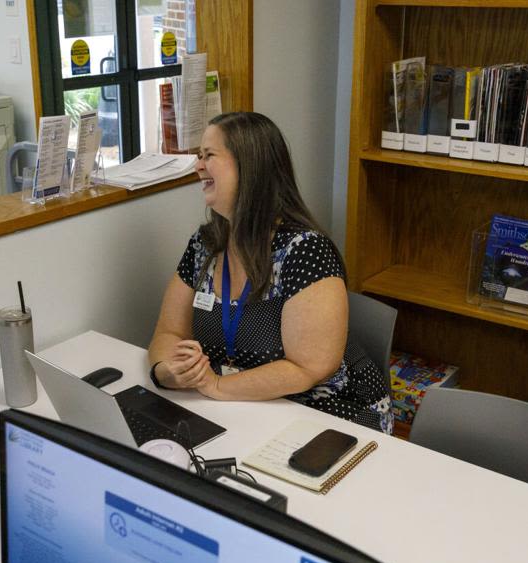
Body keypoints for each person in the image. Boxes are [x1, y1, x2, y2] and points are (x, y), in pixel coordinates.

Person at [147, 111, 393, 433]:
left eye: (209, 156)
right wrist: (165, 372)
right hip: (249, 407)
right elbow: (169, 332)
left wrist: (217, 386)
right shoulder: (204, 244)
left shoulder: (306, 251)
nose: (198, 166)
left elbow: (308, 369)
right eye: (198, 156)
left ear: (249, 167)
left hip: (330, 413)